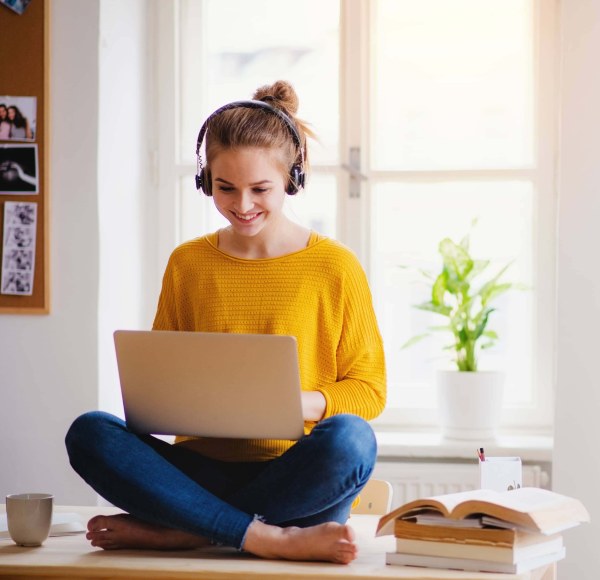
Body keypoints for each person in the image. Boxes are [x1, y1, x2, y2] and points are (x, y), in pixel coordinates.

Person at [65, 80, 386, 565]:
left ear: (292, 180)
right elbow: (161, 381)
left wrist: (294, 403)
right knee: (89, 433)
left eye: (261, 189)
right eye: (224, 188)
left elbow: (370, 389)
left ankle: (188, 531)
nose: (242, 205)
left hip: (295, 477)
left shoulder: (334, 266)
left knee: (352, 440)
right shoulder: (188, 264)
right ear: (205, 180)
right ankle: (260, 535)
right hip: (199, 474)